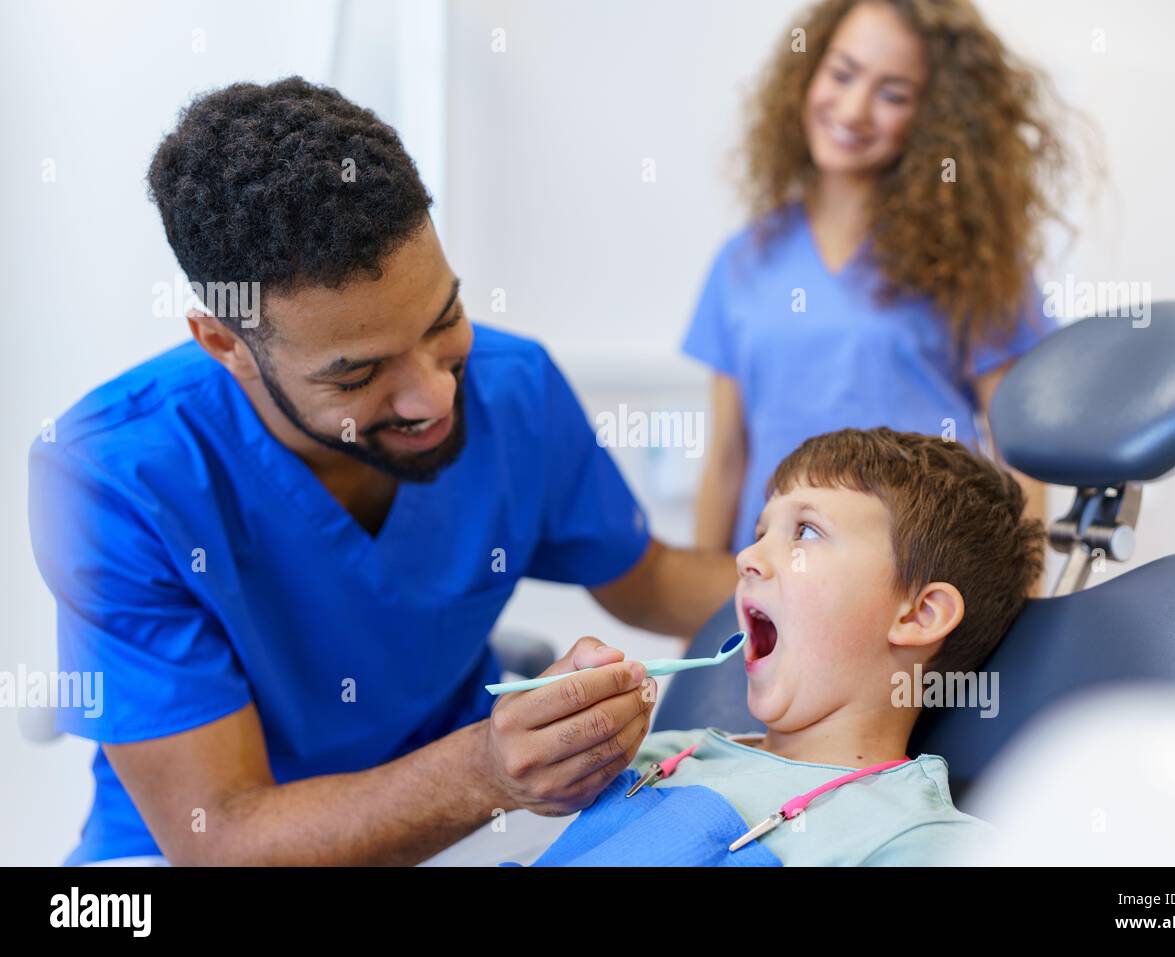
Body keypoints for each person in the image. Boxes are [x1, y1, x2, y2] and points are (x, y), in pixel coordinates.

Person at [27, 77, 735, 866]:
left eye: (445, 322)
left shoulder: (516, 387)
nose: (434, 396)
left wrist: (827, 579)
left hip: (457, 828)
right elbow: (224, 835)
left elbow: (652, 580)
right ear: (226, 344)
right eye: (357, 375)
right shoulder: (114, 479)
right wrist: (489, 768)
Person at [504, 427, 1045, 866]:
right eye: (760, 531)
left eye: (806, 532)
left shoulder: (919, 838)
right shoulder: (658, 756)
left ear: (919, 614)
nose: (747, 556)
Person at [685, 0, 1081, 593]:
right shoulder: (744, 261)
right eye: (842, 74)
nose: (852, 109)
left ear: (935, 117)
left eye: (893, 94)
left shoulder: (975, 262)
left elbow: (1018, 456)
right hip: (779, 595)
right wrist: (698, 618)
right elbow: (726, 458)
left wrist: (1018, 614)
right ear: (808, 72)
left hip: (922, 586)